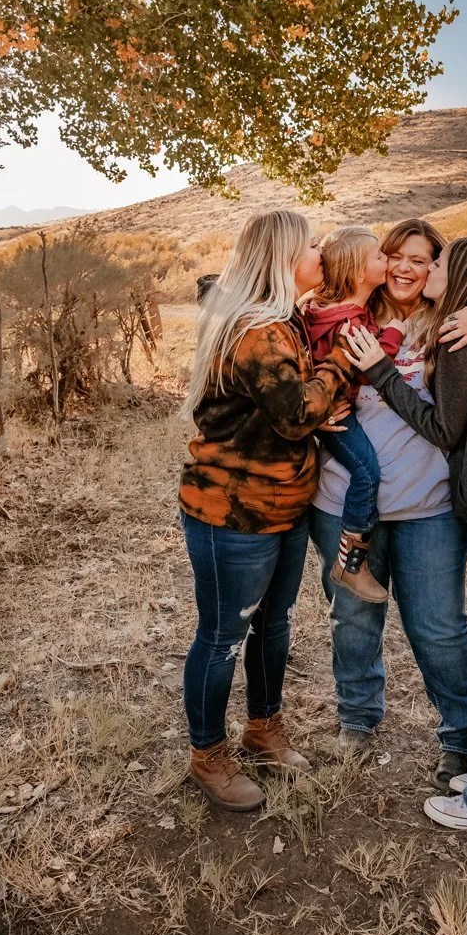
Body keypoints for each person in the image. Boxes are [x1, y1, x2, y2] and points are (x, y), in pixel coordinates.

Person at [309, 218, 467, 791]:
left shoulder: (453, 320)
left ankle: (464, 735)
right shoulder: (344, 312)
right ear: (378, 261)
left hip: (429, 506)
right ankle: (358, 719)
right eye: (396, 255)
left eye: (422, 259)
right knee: (352, 618)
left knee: (440, 628)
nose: (406, 267)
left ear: (438, 268)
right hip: (343, 499)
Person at [178, 210, 353, 812]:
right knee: (224, 637)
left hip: (284, 506)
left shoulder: (286, 324)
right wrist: (339, 368)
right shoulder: (259, 332)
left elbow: (293, 412)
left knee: (273, 626)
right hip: (233, 514)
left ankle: (263, 728)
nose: (321, 254)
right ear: (283, 258)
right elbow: (297, 414)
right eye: (311, 246)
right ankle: (208, 755)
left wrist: (313, 401)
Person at [304, 227, 406, 604]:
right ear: (361, 272)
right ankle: (351, 563)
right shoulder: (350, 323)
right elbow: (365, 370)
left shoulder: (323, 309)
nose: (388, 261)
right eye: (380, 256)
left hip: (330, 408)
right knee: (366, 473)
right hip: (337, 413)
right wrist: (393, 334)